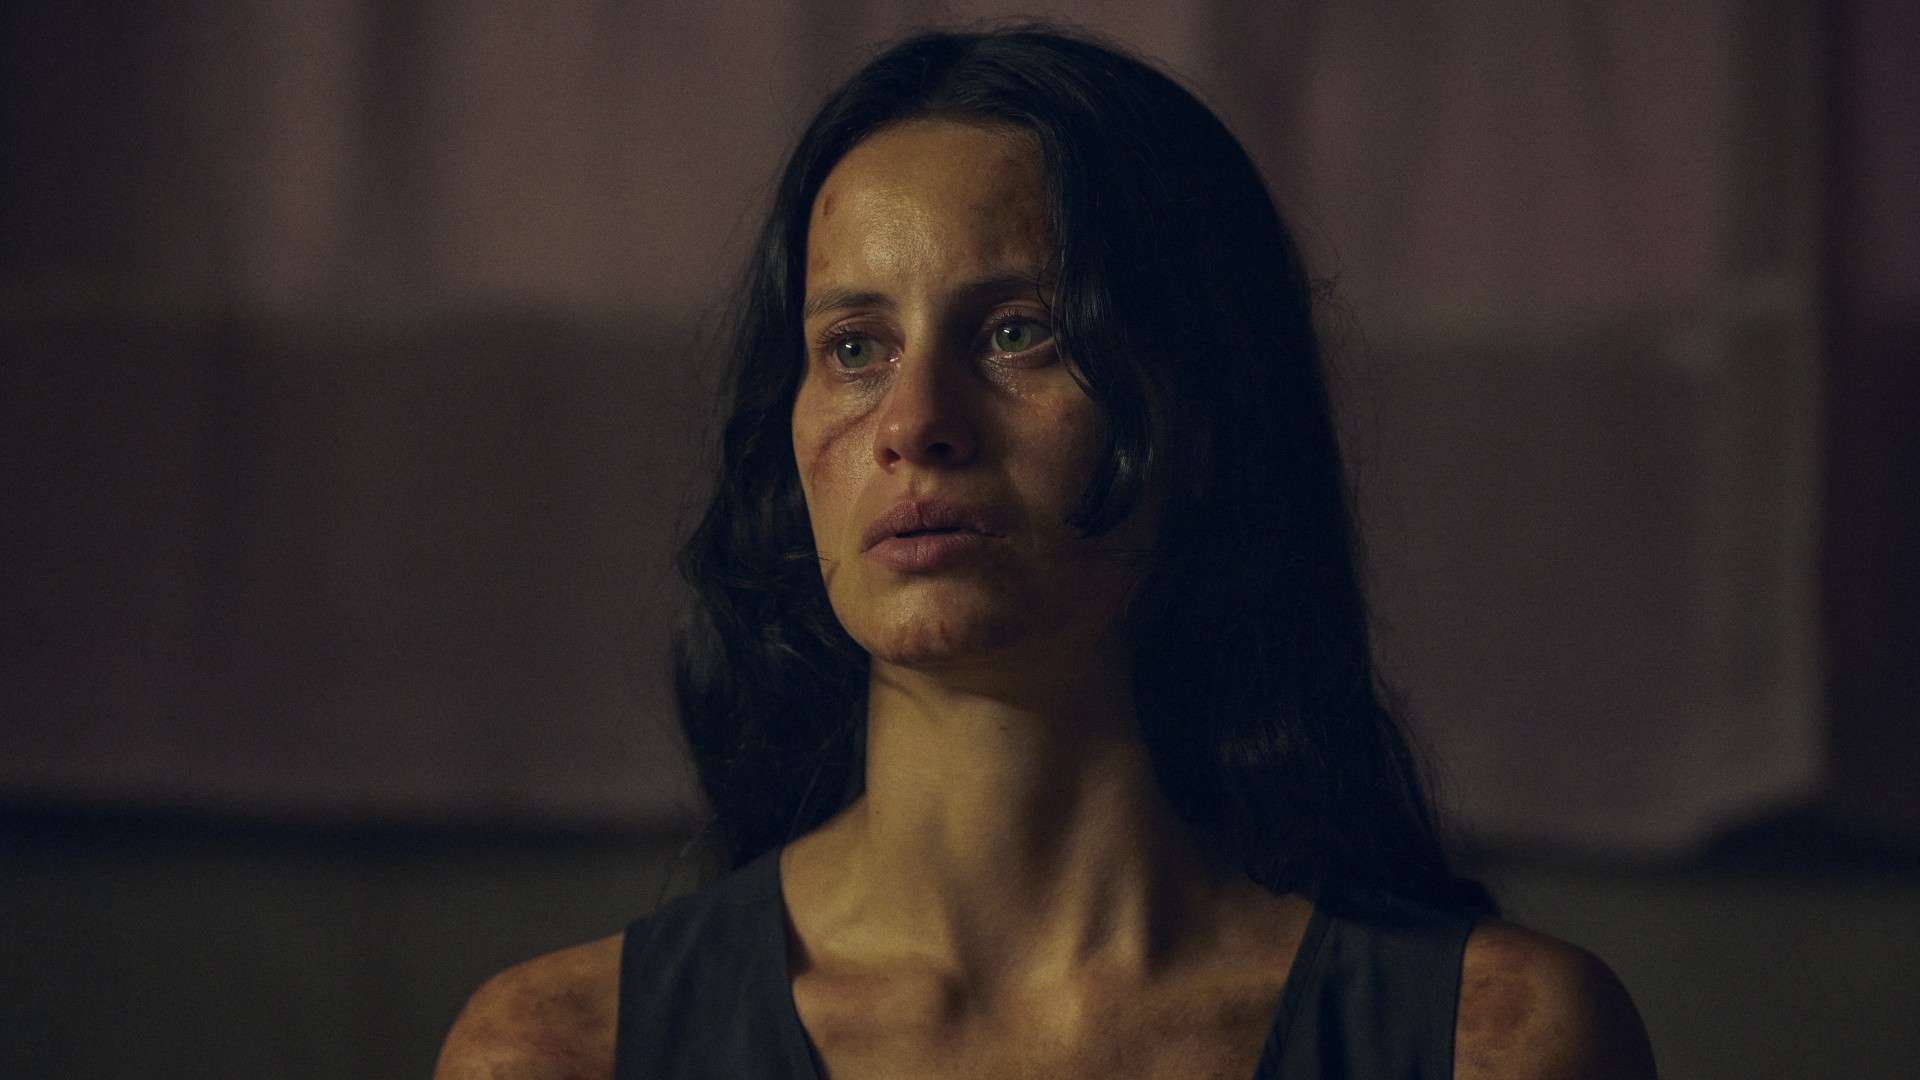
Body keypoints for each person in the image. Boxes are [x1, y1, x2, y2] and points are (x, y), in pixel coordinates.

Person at [436, 25, 1656, 1079]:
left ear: (1202, 415)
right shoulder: (555, 1055)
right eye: (855, 348)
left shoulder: (1490, 1043)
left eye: (1018, 331)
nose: (916, 423)